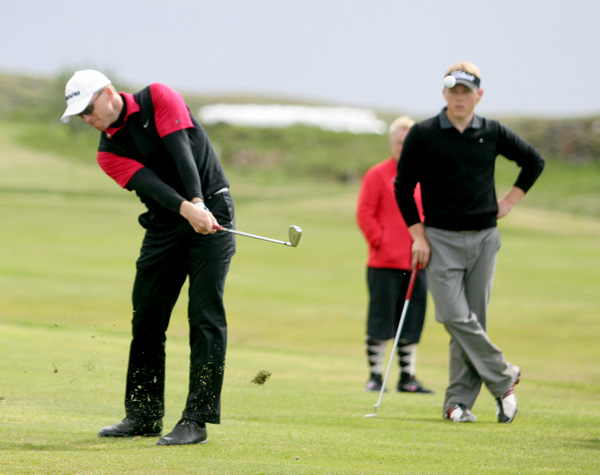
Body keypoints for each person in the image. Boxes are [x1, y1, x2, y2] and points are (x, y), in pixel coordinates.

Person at [61, 70, 236, 445]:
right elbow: (153, 187)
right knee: (147, 319)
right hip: (164, 223)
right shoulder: (108, 153)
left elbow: (182, 153)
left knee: (204, 316)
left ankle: (196, 420)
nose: (87, 119)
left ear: (109, 93)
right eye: (80, 115)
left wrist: (198, 202)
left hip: (212, 210)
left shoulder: (157, 97)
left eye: (88, 108)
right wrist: (187, 209)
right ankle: (143, 414)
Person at [395, 62, 545, 423]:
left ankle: (456, 403)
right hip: (440, 239)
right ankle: (503, 375)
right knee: (453, 316)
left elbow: (533, 161)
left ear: (479, 95)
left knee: (472, 321)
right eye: (453, 91)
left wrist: (509, 202)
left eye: (466, 92)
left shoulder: (491, 131)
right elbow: (403, 186)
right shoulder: (424, 134)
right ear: (444, 93)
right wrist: (418, 236)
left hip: (484, 239)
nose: (459, 98)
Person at [356, 116, 433, 394]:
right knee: (381, 319)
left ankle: (407, 376)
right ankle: (375, 376)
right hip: (384, 262)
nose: (404, 146)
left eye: (408, 141)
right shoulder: (377, 174)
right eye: (399, 142)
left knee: (411, 321)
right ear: (392, 143)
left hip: (416, 262)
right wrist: (381, 241)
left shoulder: (426, 176)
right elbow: (365, 213)